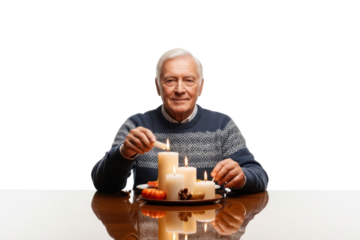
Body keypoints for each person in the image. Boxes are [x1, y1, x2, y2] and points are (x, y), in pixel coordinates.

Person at [90, 46, 269, 193]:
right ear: (157, 87)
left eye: (189, 80)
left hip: (210, 228)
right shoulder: (136, 124)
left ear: (201, 87)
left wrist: (243, 178)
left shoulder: (222, 125)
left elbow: (260, 175)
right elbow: (102, 184)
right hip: (151, 227)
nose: (180, 89)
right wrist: (124, 153)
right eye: (170, 81)